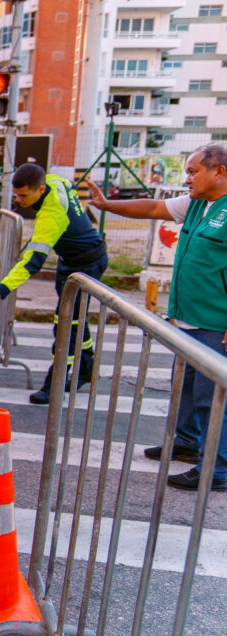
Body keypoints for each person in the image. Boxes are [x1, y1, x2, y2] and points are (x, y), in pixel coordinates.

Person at [85, 144, 227, 491]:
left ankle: (218, 468)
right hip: (190, 317)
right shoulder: (197, 204)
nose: (187, 178)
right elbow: (153, 207)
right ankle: (188, 443)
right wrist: (107, 206)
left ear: (219, 172)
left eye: (194, 171)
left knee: (214, 396)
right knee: (189, 387)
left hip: (216, 322)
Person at [0, 163, 108, 405]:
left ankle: (53, 383)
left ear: (41, 189)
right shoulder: (56, 181)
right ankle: (87, 367)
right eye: (16, 194)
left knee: (66, 325)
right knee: (75, 320)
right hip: (72, 261)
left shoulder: (51, 214)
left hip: (86, 265)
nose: (19, 200)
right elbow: (69, 188)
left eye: (24, 195)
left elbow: (32, 262)